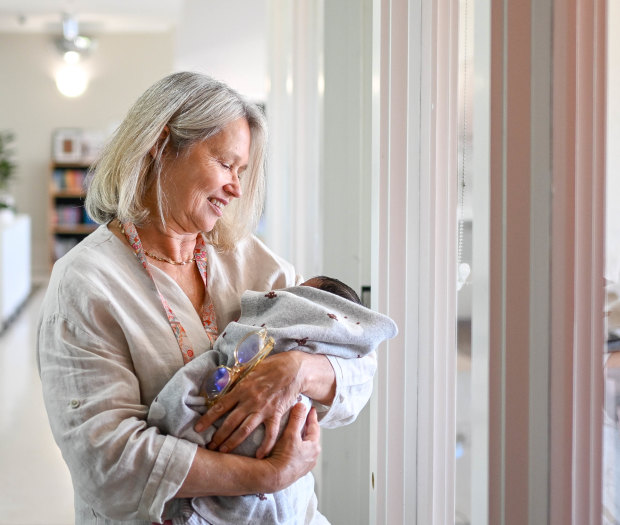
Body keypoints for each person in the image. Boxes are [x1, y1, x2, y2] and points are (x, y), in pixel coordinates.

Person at [36, 71, 378, 525]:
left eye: (242, 171)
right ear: (160, 144)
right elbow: (107, 462)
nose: (236, 187)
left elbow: (358, 362)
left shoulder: (250, 259)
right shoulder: (86, 282)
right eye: (224, 163)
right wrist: (267, 475)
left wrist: (297, 369)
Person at [147, 276, 398, 524]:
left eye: (297, 294)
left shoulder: (275, 271)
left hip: (297, 505)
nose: (286, 293)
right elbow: (116, 458)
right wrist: (271, 475)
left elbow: (364, 365)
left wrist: (299, 367)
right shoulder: (109, 280)